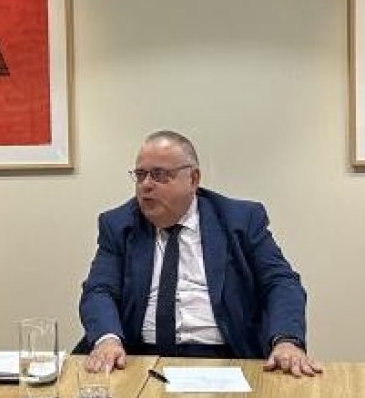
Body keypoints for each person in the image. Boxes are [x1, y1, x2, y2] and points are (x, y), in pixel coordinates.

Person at [77, 131, 321, 378]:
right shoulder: (118, 224)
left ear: (193, 179)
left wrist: (286, 341)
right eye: (140, 175)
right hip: (138, 357)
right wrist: (107, 340)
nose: (146, 185)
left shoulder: (240, 220)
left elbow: (280, 282)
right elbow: (99, 290)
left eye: (159, 175)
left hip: (228, 356)